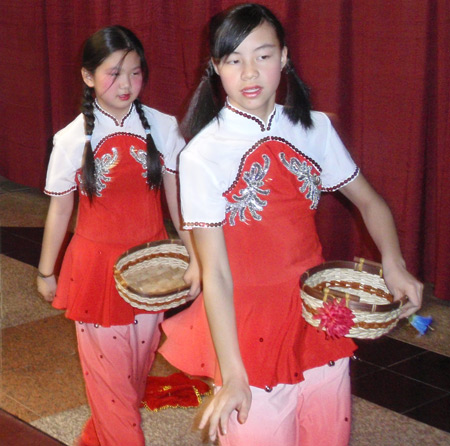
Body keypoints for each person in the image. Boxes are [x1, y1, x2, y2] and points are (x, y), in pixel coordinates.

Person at [159, 4, 423, 446]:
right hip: (245, 326)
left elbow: (371, 203)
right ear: (215, 68)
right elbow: (217, 275)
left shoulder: (314, 128)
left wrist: (393, 263)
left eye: (262, 55)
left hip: (317, 314)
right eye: (233, 59)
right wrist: (234, 374)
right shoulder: (202, 154)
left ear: (284, 57)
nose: (249, 73)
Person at [36, 25, 200, 446]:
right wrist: (45, 271)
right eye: (113, 73)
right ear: (88, 76)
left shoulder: (163, 127)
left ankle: (99, 439)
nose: (126, 84)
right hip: (94, 273)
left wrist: (194, 254)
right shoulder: (72, 138)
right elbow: (60, 208)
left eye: (135, 72)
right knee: (111, 385)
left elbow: (178, 204)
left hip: (153, 274)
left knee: (131, 377)